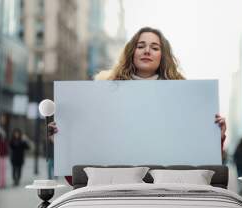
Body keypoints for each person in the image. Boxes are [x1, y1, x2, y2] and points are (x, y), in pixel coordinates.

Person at [48, 27, 227, 184]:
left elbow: (201, 168)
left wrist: (216, 137)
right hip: (113, 191)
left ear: (162, 56)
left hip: (169, 191)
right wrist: (62, 142)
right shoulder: (102, 95)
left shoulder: (185, 99)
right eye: (140, 46)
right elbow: (76, 178)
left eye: (154, 47)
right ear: (131, 52)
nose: (147, 51)